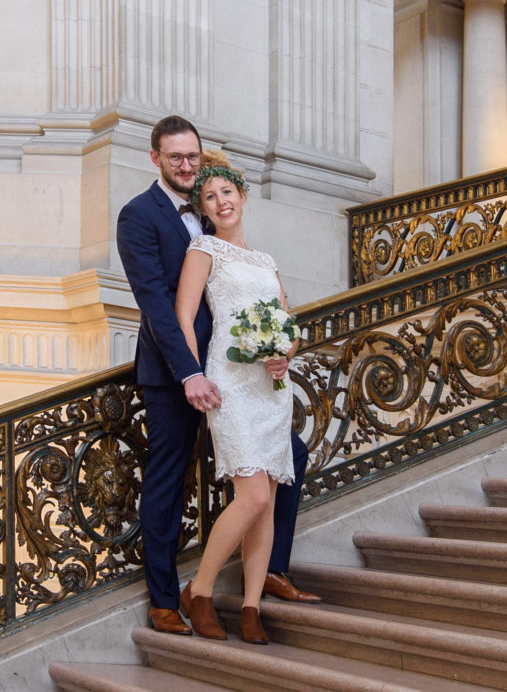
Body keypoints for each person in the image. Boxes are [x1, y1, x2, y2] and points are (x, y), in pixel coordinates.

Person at [115, 115, 319, 639]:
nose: (186, 165)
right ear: (156, 158)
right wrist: (188, 374)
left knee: (289, 459)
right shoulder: (138, 215)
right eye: (175, 157)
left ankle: (268, 570)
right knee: (169, 477)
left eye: (193, 157)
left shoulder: (211, 214)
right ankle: (166, 600)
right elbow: (160, 305)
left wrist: (278, 350)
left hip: (239, 374)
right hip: (173, 373)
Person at [174, 151, 294, 644]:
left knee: (265, 504)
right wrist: (193, 375)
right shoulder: (204, 249)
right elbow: (184, 317)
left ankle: (250, 608)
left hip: (271, 387)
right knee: (255, 494)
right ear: (204, 208)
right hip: (229, 383)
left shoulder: (266, 260)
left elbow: (288, 323)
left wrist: (286, 354)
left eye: (227, 192)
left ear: (242, 196)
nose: (221, 201)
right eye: (210, 196)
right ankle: (198, 591)